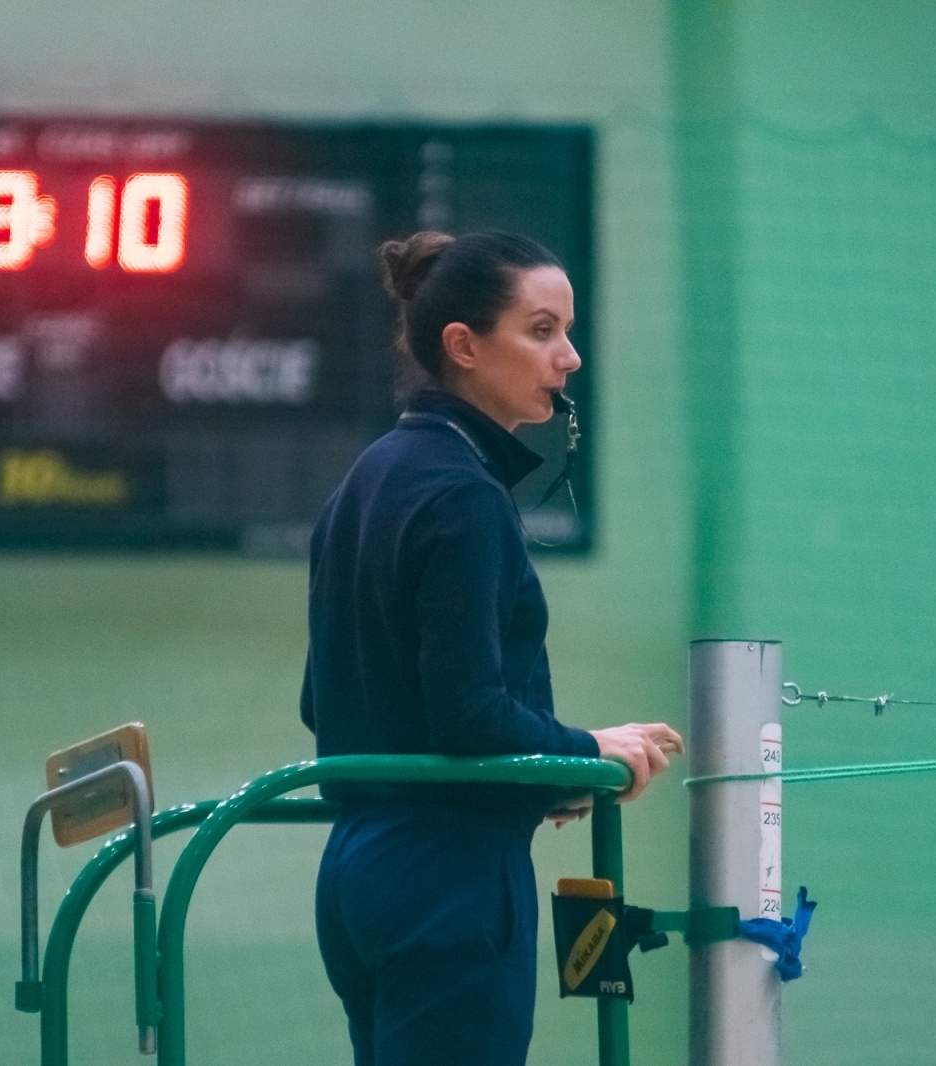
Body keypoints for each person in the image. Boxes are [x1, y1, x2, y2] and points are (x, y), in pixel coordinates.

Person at [300, 229, 683, 1066]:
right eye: (542, 331)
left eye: (568, 332)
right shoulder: (462, 495)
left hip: (357, 874)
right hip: (451, 880)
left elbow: (323, 704)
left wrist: (542, 776)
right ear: (464, 347)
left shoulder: (366, 479)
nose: (571, 358)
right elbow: (471, 717)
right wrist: (587, 753)